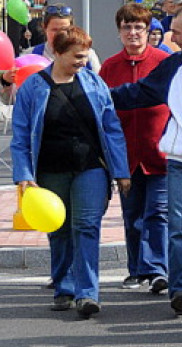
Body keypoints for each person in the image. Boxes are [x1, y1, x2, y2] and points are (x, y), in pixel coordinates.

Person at [110, 7, 182, 316]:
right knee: (178, 227)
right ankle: (181, 289)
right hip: (179, 159)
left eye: (176, 32)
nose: (171, 37)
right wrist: (101, 96)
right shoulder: (174, 65)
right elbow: (140, 92)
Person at [10, 26, 130, 318]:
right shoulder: (33, 87)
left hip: (90, 168)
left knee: (87, 226)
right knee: (60, 229)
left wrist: (121, 170)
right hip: (50, 171)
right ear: (58, 53)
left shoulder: (94, 83)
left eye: (85, 56)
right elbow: (21, 134)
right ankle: (64, 286)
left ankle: (87, 293)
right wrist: (24, 174)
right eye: (77, 56)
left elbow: (112, 129)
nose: (83, 62)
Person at [100, 3, 171, 294]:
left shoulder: (164, 62)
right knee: (132, 216)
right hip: (126, 156)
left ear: (148, 30)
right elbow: (102, 111)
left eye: (139, 27)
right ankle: (136, 269)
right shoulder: (110, 67)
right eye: (127, 27)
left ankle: (157, 269)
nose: (133, 33)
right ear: (119, 32)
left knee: (157, 213)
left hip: (161, 152)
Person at [25, 6, 101, 71]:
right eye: (54, 30)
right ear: (44, 28)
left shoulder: (87, 55)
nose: (59, 34)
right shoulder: (30, 55)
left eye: (64, 29)